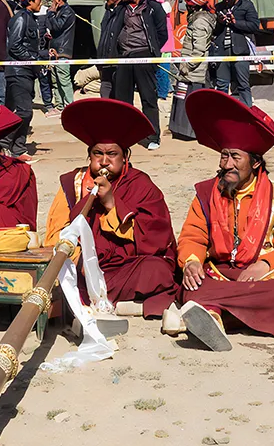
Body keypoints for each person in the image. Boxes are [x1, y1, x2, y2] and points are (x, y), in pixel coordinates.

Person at [172, 89, 274, 351]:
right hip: (219, 271)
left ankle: (213, 313)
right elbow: (192, 236)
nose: (227, 164)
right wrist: (191, 263)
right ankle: (219, 313)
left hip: (260, 277)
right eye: (224, 155)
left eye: (236, 157)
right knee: (192, 289)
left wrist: (264, 265)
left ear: (255, 163)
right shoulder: (206, 192)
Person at [44, 98, 178, 319]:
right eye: (98, 154)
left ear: (125, 157)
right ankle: (126, 305)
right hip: (83, 270)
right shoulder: (74, 182)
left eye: (112, 154)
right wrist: (80, 260)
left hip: (125, 268)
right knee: (63, 276)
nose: (104, 161)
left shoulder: (140, 184)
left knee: (159, 271)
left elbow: (157, 237)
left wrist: (110, 204)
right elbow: (56, 233)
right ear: (89, 156)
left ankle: (104, 303)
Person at [107, 0, 168, 150]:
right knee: (123, 100)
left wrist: (151, 51)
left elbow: (162, 33)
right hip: (124, 57)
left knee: (148, 98)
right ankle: (125, 136)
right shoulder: (121, 8)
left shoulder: (153, 7)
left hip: (144, 57)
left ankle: (152, 137)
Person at [0, 0, 46, 160]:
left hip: (24, 71)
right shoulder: (21, 18)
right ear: (30, 0)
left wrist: (42, 55)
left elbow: (27, 46)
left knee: (18, 111)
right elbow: (15, 45)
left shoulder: (30, 18)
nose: (41, 2)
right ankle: (4, 144)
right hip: (19, 71)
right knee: (25, 111)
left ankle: (18, 149)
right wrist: (32, 60)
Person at [170, 0, 216, 140]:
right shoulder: (197, 19)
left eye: (189, 4)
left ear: (194, 5)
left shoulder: (200, 22)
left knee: (190, 103)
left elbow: (199, 49)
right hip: (188, 72)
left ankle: (190, 132)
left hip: (193, 73)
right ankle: (181, 130)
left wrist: (187, 66)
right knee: (182, 99)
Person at [209, 0, 259, 106]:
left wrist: (235, 22)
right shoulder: (219, 7)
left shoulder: (246, 6)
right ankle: (223, 112)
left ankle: (247, 110)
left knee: (243, 83)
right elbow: (214, 31)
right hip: (222, 51)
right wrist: (219, 22)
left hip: (240, 50)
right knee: (222, 84)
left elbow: (254, 26)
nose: (225, 1)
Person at [44, 0, 76, 117]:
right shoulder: (59, 11)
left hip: (63, 51)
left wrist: (50, 13)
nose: (52, 3)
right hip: (55, 49)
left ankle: (70, 107)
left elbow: (58, 26)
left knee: (64, 79)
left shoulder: (67, 12)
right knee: (55, 80)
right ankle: (60, 105)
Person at [95, 0, 122, 99]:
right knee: (105, 90)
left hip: (117, 60)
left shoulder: (123, 11)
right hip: (105, 59)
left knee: (117, 92)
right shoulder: (108, 12)